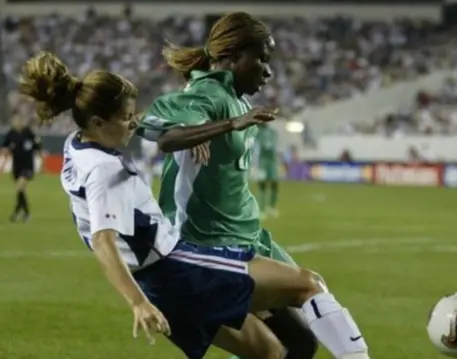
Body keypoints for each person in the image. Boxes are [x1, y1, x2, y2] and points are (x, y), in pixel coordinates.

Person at [19, 51, 371, 359]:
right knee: (308, 284)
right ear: (98, 121)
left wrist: (191, 130)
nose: (133, 121)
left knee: (268, 352)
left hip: (158, 287)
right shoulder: (104, 171)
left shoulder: (76, 145)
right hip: (180, 269)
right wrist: (136, 303)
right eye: (126, 117)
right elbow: (103, 241)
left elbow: (140, 126)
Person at [137, 12, 326, 359]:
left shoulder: (237, 100)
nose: (268, 71)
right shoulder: (207, 94)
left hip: (238, 241)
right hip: (199, 253)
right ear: (236, 56)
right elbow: (165, 136)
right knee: (280, 346)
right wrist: (222, 125)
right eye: (263, 59)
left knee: (297, 343)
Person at [0, 115, 42, 222]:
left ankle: (16, 213)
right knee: (21, 191)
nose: (18, 123)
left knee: (20, 187)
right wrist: (5, 150)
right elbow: (4, 146)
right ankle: (24, 213)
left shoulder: (29, 133)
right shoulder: (11, 133)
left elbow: (38, 146)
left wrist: (38, 151)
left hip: (27, 166)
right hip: (16, 166)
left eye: (19, 121)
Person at [255, 123, 281, 219]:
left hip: (272, 161)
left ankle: (271, 207)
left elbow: (275, 146)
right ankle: (261, 209)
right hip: (263, 161)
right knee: (262, 185)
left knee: (275, 183)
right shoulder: (258, 132)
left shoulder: (273, 132)